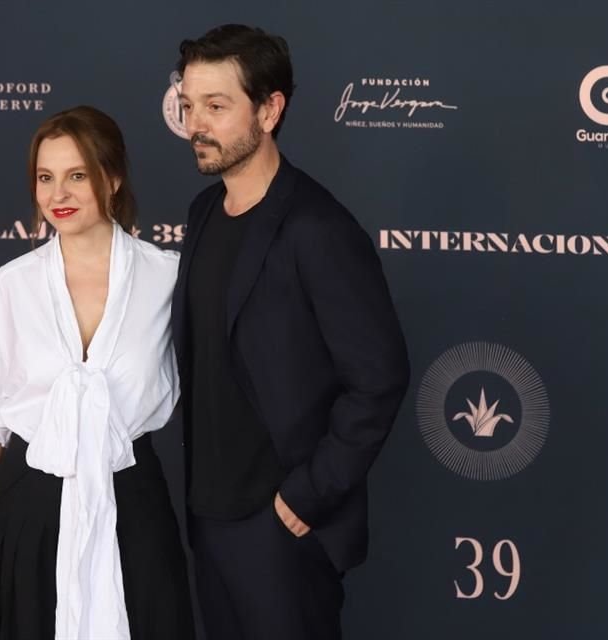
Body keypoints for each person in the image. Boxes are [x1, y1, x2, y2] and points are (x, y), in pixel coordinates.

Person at [171, 25, 411, 639]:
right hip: (206, 516)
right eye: (190, 104)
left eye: (217, 107)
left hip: (280, 527)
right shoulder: (202, 213)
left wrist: (305, 497)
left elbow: (379, 379)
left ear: (270, 109)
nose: (197, 123)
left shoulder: (318, 228)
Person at [0, 105, 194, 640]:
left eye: (76, 176)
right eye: (45, 178)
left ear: (112, 178)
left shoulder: (169, 277)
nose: (57, 194)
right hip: (30, 512)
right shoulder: (12, 285)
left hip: (134, 508)